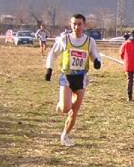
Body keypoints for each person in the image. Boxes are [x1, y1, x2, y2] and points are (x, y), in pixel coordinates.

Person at [44, 14, 102, 147]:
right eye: (74, 24)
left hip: (81, 78)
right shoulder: (64, 39)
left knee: (74, 111)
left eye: (79, 24)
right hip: (67, 76)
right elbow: (52, 54)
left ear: (84, 25)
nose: (76, 27)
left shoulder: (90, 41)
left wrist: (97, 62)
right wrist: (49, 69)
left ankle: (65, 135)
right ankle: (61, 104)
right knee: (66, 108)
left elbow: (95, 55)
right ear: (70, 25)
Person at [119, 29, 134, 101]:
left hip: (128, 64)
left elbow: (121, 53)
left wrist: (125, 59)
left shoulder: (126, 43)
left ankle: (129, 97)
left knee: (130, 80)